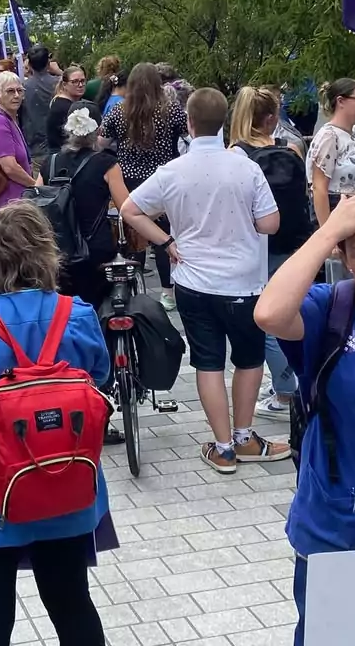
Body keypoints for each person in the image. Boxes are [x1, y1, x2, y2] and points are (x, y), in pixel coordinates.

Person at [0, 200, 109, 646]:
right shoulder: (78, 315)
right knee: (72, 605)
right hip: (64, 481)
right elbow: (97, 384)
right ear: (47, 254)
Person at [121, 87, 291, 473]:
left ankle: (223, 446)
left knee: (209, 363)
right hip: (245, 282)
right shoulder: (246, 167)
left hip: (194, 281)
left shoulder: (172, 171)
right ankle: (246, 436)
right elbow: (271, 222)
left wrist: (166, 241)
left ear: (189, 122)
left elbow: (130, 209)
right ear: (225, 121)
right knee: (249, 361)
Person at [254, 194, 355, 646]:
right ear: (344, 255)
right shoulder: (332, 311)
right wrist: (328, 231)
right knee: (337, 637)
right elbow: (269, 314)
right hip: (341, 526)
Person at [229, 85, 312, 421]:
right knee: (291, 312)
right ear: (273, 118)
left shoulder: (237, 154)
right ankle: (295, 380)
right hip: (293, 243)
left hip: (255, 247)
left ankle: (286, 389)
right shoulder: (292, 149)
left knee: (263, 319)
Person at [102, 62, 188, 312]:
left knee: (134, 238)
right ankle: (167, 292)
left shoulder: (119, 111)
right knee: (163, 236)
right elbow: (187, 132)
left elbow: (102, 140)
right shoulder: (170, 110)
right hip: (164, 179)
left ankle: (132, 287)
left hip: (129, 181)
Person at [38, 104, 129, 310]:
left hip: (56, 249)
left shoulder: (49, 163)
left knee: (61, 308)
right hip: (94, 250)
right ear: (99, 130)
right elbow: (126, 207)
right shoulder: (107, 164)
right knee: (95, 307)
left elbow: (33, 204)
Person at [307, 78, 355, 227]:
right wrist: (328, 234)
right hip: (338, 216)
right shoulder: (328, 137)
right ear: (341, 101)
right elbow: (319, 188)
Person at [0, 72, 35, 220]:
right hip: (6, 206)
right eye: (10, 91)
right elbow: (9, 167)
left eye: (19, 91)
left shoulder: (11, 120)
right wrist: (36, 186)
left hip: (15, 202)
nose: (16, 95)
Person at [20, 45, 59, 174]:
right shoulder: (59, 84)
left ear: (29, 64)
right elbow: (75, 85)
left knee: (40, 189)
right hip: (59, 145)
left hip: (34, 147)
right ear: (48, 62)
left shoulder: (22, 88)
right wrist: (59, 71)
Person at [46, 65, 86, 154]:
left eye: (82, 81)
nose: (80, 85)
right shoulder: (64, 107)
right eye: (75, 82)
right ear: (64, 84)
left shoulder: (61, 101)